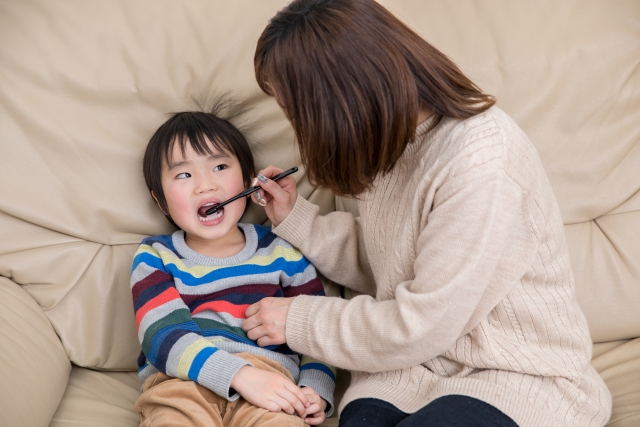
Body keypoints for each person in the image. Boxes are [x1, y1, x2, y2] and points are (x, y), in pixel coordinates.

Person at [241, 1, 612, 427]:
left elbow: (421, 324)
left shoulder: (482, 161)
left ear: (338, 99)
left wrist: (300, 320)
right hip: (409, 372)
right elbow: (395, 262)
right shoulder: (390, 143)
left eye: (296, 113)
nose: (297, 127)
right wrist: (297, 219)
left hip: (516, 376)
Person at [130, 105, 336, 427]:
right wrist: (237, 375)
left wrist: (314, 388)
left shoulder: (283, 251)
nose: (205, 185)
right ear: (160, 200)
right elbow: (161, 335)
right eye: (184, 174)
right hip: (182, 385)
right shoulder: (156, 255)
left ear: (248, 181)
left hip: (273, 387)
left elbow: (317, 325)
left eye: (220, 166)